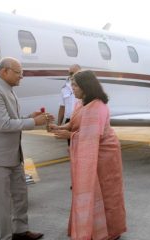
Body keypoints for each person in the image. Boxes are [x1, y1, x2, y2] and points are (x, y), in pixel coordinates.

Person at [0, 57, 52, 240]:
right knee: (2, 203)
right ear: (4, 72)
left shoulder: (7, 89)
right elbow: (3, 124)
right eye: (18, 73)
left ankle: (20, 231)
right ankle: (5, 237)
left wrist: (28, 116)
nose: (22, 76)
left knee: (20, 195)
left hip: (12, 155)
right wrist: (34, 122)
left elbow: (11, 119)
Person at [50, 70, 126, 240]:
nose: (72, 89)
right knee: (92, 191)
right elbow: (75, 124)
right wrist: (60, 127)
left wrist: (70, 136)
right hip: (93, 151)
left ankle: (111, 231)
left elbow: (91, 136)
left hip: (104, 155)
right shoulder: (81, 103)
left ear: (85, 86)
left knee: (107, 193)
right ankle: (93, 228)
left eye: (75, 85)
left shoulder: (97, 106)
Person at [57, 64, 81, 145]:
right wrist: (59, 125)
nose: (72, 75)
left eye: (74, 73)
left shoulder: (85, 87)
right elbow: (62, 107)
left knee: (82, 144)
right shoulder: (64, 89)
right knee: (71, 146)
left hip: (81, 120)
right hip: (69, 121)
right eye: (70, 73)